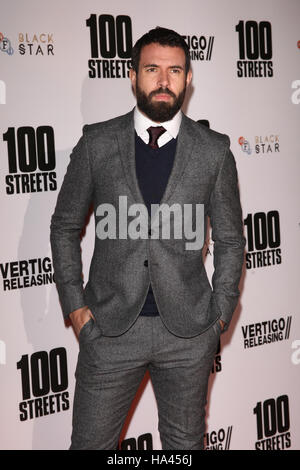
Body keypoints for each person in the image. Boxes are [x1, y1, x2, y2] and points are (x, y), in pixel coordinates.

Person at [50, 26, 245, 450]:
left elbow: (230, 240)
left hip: (189, 333)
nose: (163, 80)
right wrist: (77, 310)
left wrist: (220, 315)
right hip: (110, 328)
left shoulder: (214, 150)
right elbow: (64, 226)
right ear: (133, 76)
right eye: (152, 68)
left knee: (184, 447)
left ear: (188, 78)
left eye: (174, 70)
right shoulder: (97, 143)